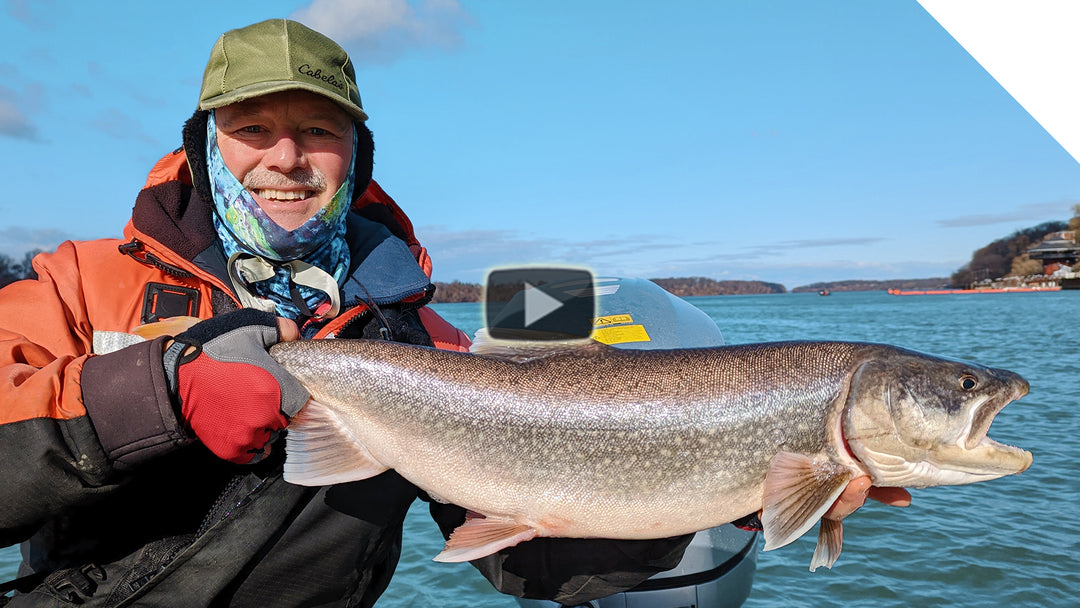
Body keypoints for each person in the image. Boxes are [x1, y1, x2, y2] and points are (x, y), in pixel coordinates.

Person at [0, 18, 908, 608]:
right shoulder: (79, 281)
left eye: (317, 130)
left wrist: (721, 502)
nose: (286, 157)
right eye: (253, 128)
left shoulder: (416, 335)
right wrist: (159, 395)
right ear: (204, 145)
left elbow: (522, 558)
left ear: (355, 150)